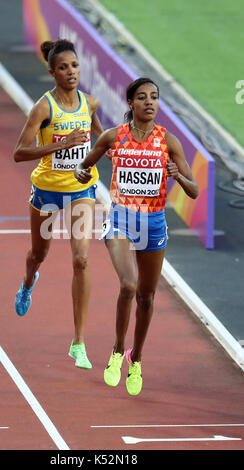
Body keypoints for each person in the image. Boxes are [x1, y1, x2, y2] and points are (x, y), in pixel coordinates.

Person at [74, 77, 199, 394]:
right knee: (128, 284)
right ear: (130, 103)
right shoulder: (113, 136)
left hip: (154, 223)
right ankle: (117, 351)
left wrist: (179, 176)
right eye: (142, 97)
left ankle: (136, 359)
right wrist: (82, 172)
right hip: (120, 219)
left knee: (146, 296)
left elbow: (194, 191)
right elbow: (84, 166)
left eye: (154, 97)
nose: (149, 102)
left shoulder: (169, 141)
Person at [13, 39, 106, 370]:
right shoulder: (43, 108)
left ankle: (78, 342)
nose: (71, 72)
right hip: (47, 192)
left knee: (81, 260)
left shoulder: (90, 103)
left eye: (76, 66)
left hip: (81, 190)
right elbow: (19, 152)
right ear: (52, 72)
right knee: (39, 254)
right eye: (64, 67)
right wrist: (60, 145)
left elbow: (102, 140)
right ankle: (28, 283)